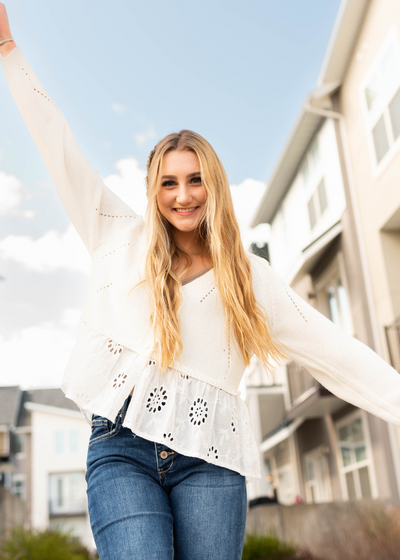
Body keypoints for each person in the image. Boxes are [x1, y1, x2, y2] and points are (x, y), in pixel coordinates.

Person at [2, 5, 400, 559]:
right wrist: (9, 53)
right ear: (151, 189)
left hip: (210, 461)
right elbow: (58, 144)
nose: (183, 195)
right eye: (168, 182)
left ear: (213, 185)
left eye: (195, 180)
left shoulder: (249, 280)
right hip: (122, 452)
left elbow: (333, 351)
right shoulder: (116, 235)